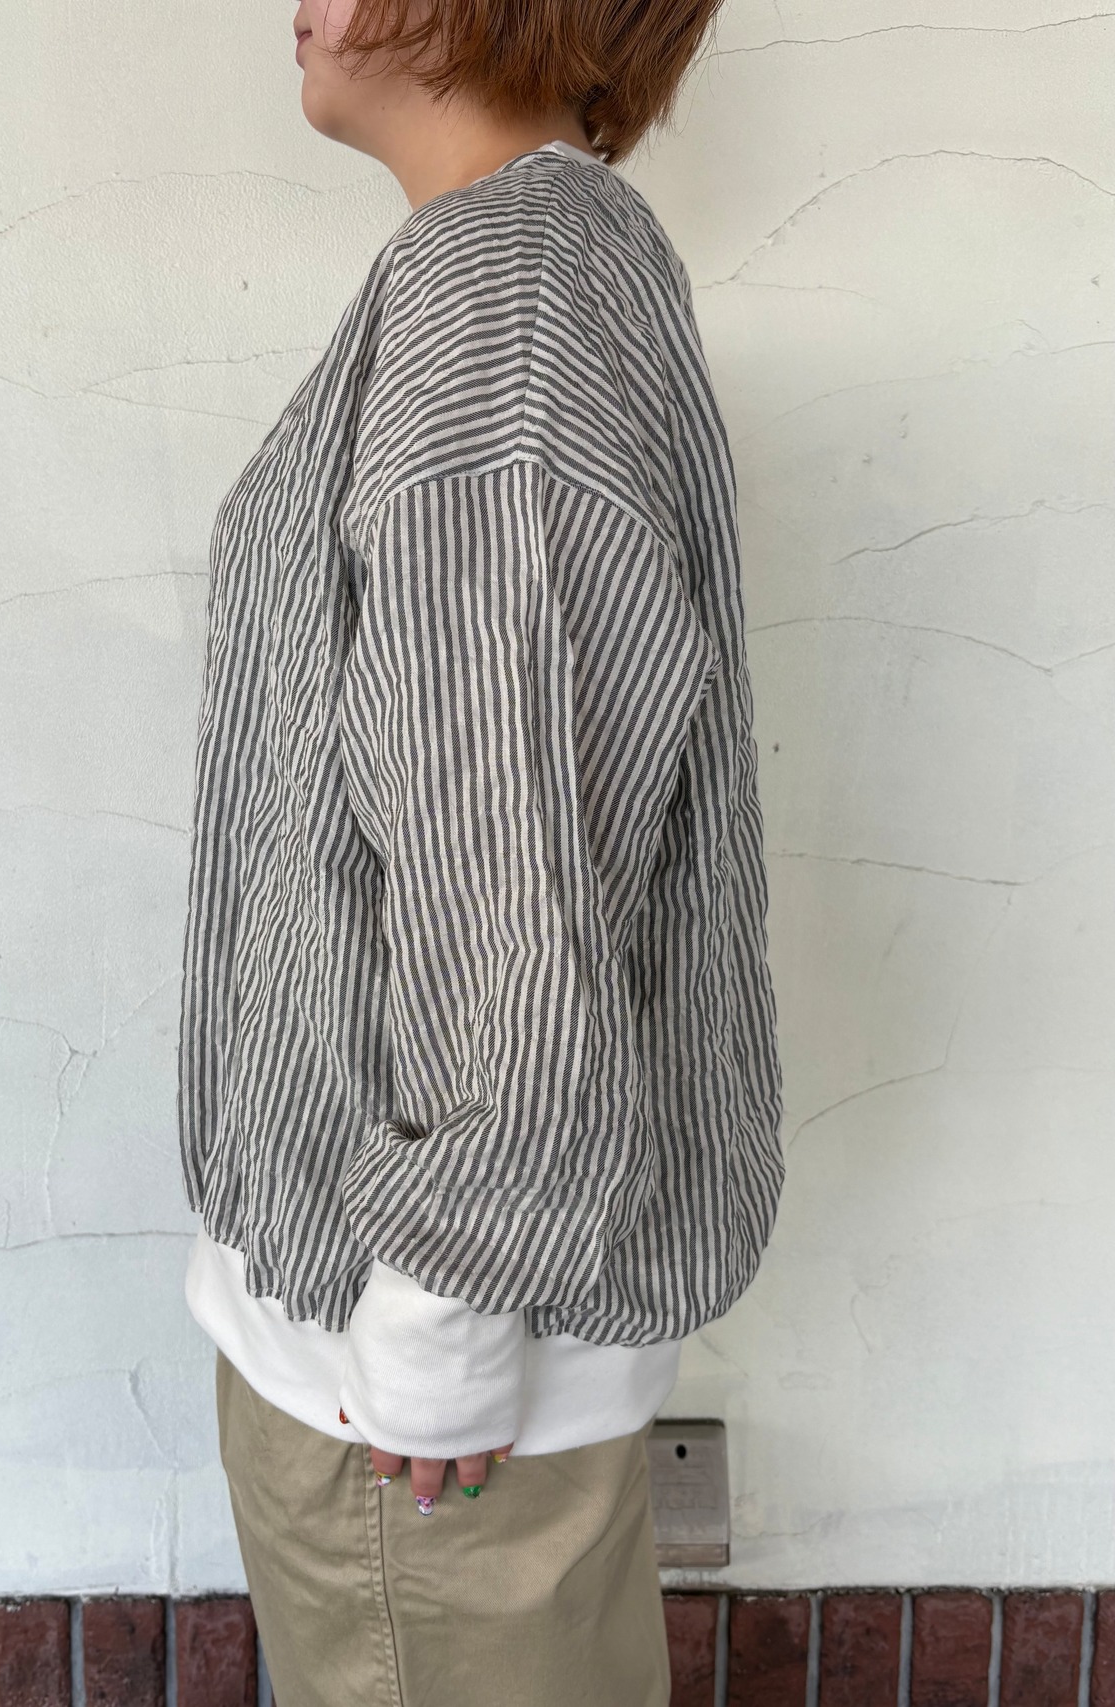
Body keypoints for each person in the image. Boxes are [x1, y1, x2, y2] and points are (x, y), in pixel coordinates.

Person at [176, 2, 785, 1702]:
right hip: (428, 1342)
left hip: (418, 1393)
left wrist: (440, 1312)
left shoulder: (503, 303)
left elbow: (501, 841)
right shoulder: (537, 267)